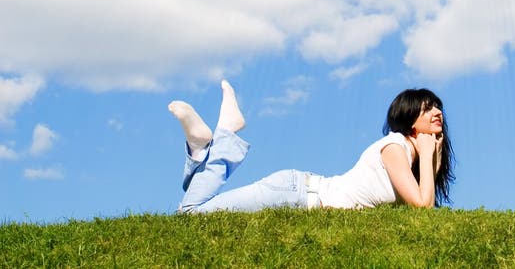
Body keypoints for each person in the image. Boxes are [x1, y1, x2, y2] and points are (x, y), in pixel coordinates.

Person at [170, 81, 455, 213]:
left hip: (299, 192)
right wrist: (429, 152)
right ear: (408, 118)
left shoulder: (410, 154)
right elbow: (422, 207)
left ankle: (201, 148)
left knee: (192, 207)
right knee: (190, 214)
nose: (437, 112)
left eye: (438, 107)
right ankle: (223, 135)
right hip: (296, 193)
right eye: (427, 108)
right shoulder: (394, 146)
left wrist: (432, 157)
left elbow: (421, 202)